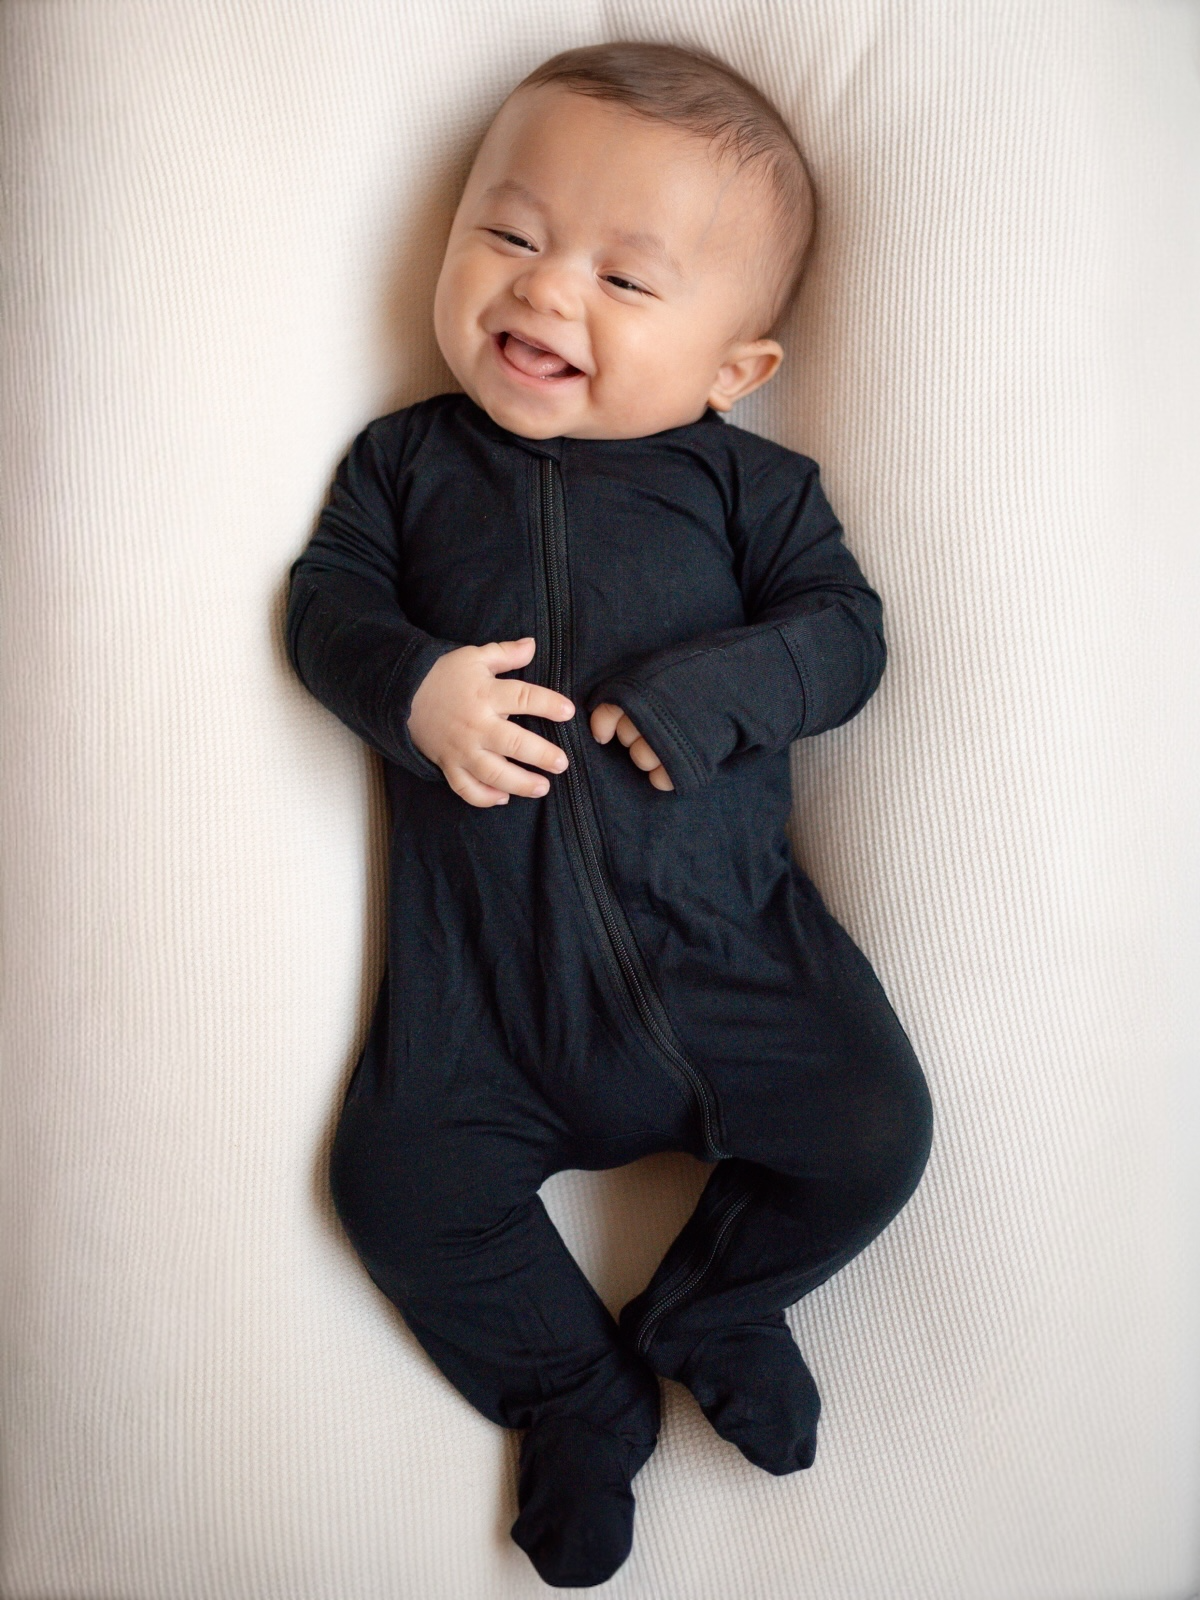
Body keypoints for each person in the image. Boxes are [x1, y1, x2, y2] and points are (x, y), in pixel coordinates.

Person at [285, 40, 933, 1589]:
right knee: (393, 1186)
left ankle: (711, 1306)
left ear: (735, 368)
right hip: (481, 1009)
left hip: (735, 969)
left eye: (627, 282)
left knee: (875, 1133)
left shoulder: (750, 494)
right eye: (507, 235)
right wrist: (410, 687)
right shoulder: (403, 465)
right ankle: (574, 1391)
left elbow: (847, 638)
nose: (545, 292)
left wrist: (722, 691)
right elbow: (325, 609)